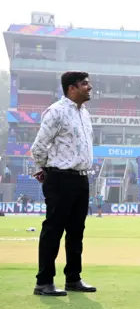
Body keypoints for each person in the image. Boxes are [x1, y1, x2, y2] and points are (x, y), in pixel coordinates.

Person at [30, 71, 96, 296]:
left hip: (81, 177)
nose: (90, 87)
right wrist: (43, 169)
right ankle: (44, 281)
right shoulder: (56, 112)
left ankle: (73, 278)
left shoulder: (84, 114)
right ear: (71, 88)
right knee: (54, 229)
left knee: (76, 231)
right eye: (85, 84)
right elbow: (39, 146)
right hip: (60, 177)